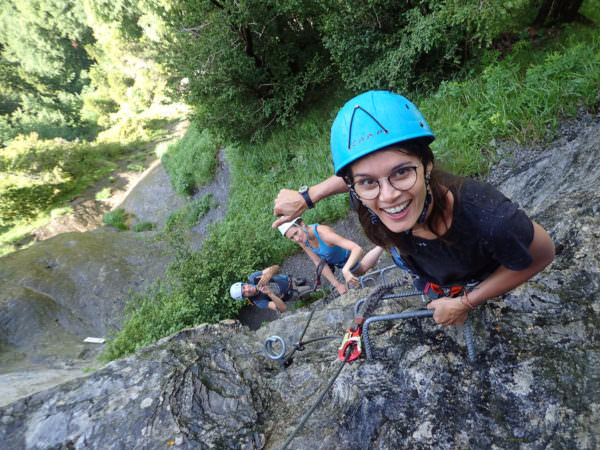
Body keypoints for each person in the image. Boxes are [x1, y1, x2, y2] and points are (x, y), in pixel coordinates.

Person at [272, 90, 555, 326]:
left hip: (475, 281)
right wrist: (308, 197)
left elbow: (542, 253)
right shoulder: (364, 195)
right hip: (429, 276)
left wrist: (465, 303)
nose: (388, 197)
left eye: (402, 173)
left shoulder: (486, 217)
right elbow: (362, 173)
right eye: (368, 182)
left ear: (427, 165)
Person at [277, 218, 384, 296]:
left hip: (347, 257)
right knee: (358, 272)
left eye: (296, 233)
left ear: (302, 224)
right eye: (292, 238)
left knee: (361, 269)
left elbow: (357, 248)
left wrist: (346, 270)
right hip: (336, 260)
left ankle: (385, 244)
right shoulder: (303, 239)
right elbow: (317, 261)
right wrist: (337, 284)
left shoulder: (324, 234)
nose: (296, 239)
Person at [230, 265, 305, 312]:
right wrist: (270, 294)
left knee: (302, 280)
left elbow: (276, 267)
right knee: (308, 290)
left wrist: (268, 274)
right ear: (245, 297)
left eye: (244, 287)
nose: (247, 290)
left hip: (288, 280)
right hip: (290, 294)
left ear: (245, 283)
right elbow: (283, 308)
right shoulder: (259, 302)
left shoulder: (254, 278)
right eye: (244, 293)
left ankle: (298, 283)